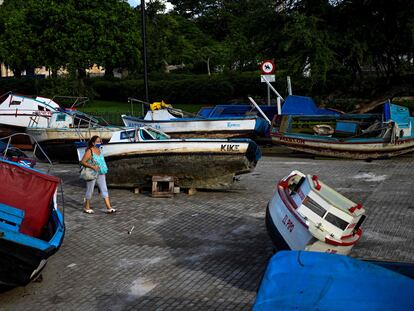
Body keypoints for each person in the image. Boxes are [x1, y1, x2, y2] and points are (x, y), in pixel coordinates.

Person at [80, 135, 116, 214]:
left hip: (101, 172)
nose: (100, 143)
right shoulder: (90, 151)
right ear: (93, 143)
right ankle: (87, 207)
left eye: (100, 141)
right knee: (90, 190)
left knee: (104, 189)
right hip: (92, 173)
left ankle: (109, 207)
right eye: (98, 142)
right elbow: (82, 162)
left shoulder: (100, 150)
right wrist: (92, 167)